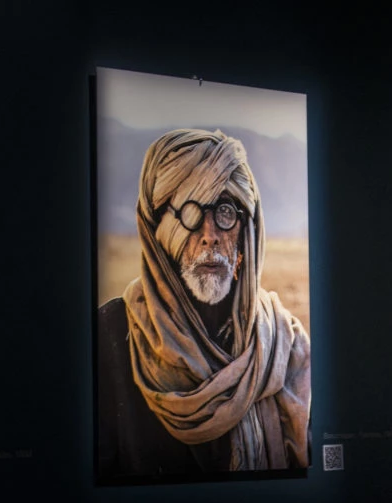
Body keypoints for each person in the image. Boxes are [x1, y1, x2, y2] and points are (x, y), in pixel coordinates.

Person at [97, 128, 312, 479]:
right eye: (190, 212)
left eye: (225, 212)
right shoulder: (109, 336)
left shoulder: (287, 344)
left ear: (246, 233)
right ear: (160, 231)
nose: (210, 235)